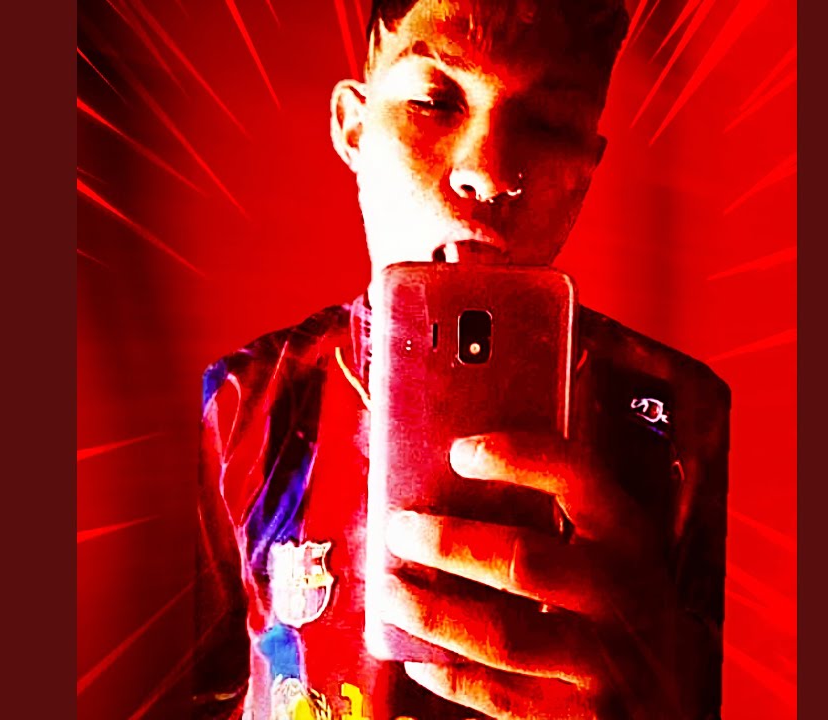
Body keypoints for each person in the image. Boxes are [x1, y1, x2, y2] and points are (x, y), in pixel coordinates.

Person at [194, 1, 730, 718]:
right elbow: (202, 689)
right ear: (354, 128)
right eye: (433, 101)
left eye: (549, 122)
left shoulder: (686, 422)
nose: (488, 170)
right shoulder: (241, 403)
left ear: (586, 171)